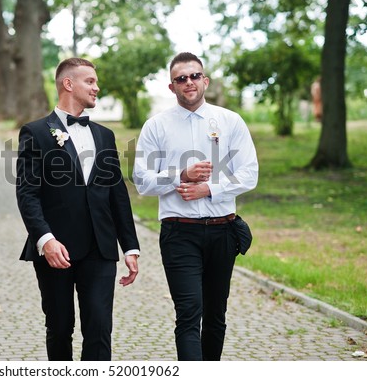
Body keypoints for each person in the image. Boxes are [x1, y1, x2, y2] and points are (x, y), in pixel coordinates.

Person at [133, 52, 258, 360]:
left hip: (223, 231)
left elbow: (249, 173)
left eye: (194, 76)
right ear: (171, 86)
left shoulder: (230, 121)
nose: (188, 82)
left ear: (205, 80)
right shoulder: (156, 126)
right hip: (179, 233)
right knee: (189, 315)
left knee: (216, 315)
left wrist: (209, 189)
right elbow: (142, 181)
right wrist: (181, 176)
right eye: (181, 78)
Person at [16, 57, 140, 361]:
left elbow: (117, 194)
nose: (97, 87)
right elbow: (27, 193)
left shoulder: (105, 136)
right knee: (59, 328)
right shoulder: (36, 132)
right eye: (90, 81)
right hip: (56, 250)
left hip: (100, 248)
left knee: (99, 330)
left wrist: (130, 247)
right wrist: (45, 240)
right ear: (68, 84)